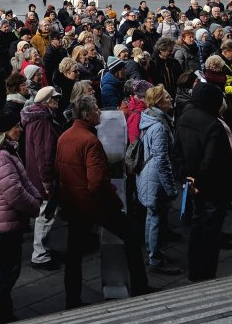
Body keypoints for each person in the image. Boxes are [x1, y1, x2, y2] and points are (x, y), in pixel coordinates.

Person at [56, 94, 150, 309]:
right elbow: (97, 182)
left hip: (74, 203)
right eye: (96, 110)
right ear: (87, 115)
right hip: (94, 205)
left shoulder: (64, 137)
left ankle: (72, 298)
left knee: (74, 253)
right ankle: (140, 286)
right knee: (131, 234)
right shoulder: (90, 142)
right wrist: (115, 201)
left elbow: (59, 171)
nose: (100, 112)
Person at [0, 106, 40, 324]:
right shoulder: (0, 157)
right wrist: (35, 206)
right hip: (6, 220)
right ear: (6, 131)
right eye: (16, 127)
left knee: (8, 269)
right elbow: (15, 193)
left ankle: (4, 312)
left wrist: (35, 196)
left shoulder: (6, 151)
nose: (20, 130)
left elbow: (23, 181)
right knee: (9, 271)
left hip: (4, 217)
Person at [176, 82, 232, 282]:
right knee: (211, 232)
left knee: (197, 225)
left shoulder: (183, 118)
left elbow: (177, 152)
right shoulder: (213, 124)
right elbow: (212, 160)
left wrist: (187, 178)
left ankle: (194, 271)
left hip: (193, 183)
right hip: (214, 186)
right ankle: (207, 273)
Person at [136, 85, 180, 275]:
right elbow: (162, 160)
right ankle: (156, 259)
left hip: (148, 175)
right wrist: (171, 188)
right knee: (156, 219)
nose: (171, 99)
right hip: (155, 179)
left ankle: (154, 254)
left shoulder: (150, 117)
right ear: (159, 102)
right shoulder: (160, 126)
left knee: (152, 217)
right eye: (167, 97)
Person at [21, 85, 62, 270]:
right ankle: (40, 255)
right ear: (47, 101)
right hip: (42, 176)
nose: (58, 101)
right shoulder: (43, 120)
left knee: (44, 214)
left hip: (35, 173)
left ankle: (43, 251)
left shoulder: (35, 117)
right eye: (55, 98)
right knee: (46, 214)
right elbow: (44, 154)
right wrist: (47, 181)